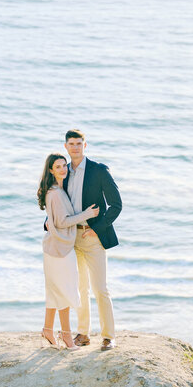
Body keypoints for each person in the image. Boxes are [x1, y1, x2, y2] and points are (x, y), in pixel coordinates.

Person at [62, 129, 122, 350]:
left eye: (79, 143)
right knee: (79, 288)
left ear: (85, 146)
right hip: (71, 237)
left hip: (93, 236)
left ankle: (109, 336)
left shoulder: (99, 171)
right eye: (71, 144)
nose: (75, 147)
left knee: (100, 288)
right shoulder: (63, 171)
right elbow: (58, 203)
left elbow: (116, 205)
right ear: (66, 147)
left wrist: (96, 229)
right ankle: (83, 334)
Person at [37, 152, 98, 349]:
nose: (63, 169)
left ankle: (48, 329)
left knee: (55, 291)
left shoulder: (57, 191)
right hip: (59, 251)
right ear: (51, 170)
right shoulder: (55, 193)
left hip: (55, 248)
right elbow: (62, 221)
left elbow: (53, 220)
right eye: (58, 167)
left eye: (64, 165)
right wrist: (86, 215)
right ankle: (66, 336)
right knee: (64, 292)